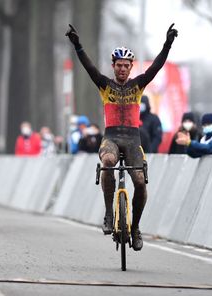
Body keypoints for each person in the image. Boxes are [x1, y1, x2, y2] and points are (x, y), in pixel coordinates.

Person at [66, 23, 178, 251]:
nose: (123, 69)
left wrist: (167, 45)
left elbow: (155, 68)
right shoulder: (105, 85)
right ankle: (109, 213)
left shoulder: (138, 85)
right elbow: (89, 68)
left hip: (133, 141)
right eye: (119, 65)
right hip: (111, 139)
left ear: (131, 67)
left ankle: (135, 227)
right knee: (107, 163)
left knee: (140, 182)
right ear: (114, 66)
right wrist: (78, 47)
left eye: (127, 66)